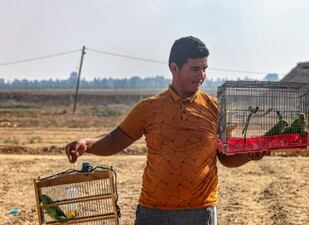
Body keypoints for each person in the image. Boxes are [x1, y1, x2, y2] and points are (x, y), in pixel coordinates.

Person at [65, 36, 266, 225]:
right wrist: (86, 143)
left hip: (200, 211)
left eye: (204, 68)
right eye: (195, 69)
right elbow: (115, 139)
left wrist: (249, 154)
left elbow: (225, 157)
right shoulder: (149, 108)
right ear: (174, 68)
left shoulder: (215, 109)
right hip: (153, 210)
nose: (202, 76)